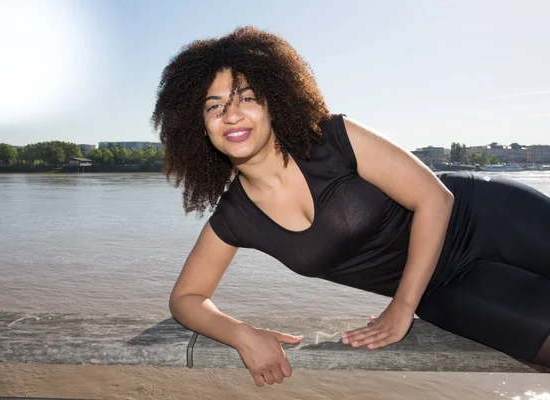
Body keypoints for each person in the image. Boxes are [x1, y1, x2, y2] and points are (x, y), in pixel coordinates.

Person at [152, 26, 550, 386]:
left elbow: (434, 197)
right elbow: (185, 298)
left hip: (484, 218)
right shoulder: (236, 217)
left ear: (273, 103)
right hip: (445, 289)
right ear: (200, 127)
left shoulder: (331, 138)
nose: (232, 114)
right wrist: (241, 334)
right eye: (214, 105)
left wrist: (401, 307)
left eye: (246, 98)